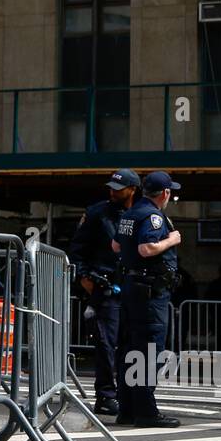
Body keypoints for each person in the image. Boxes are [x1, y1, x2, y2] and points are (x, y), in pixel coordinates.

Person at [66, 168, 141, 417]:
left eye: (119, 189)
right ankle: (106, 396)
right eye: (111, 187)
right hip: (105, 287)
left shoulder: (142, 213)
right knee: (106, 345)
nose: (113, 191)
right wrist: (84, 277)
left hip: (133, 288)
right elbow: (78, 249)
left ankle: (130, 395)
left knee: (132, 344)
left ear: (133, 189)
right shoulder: (97, 213)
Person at [111, 170, 182, 428]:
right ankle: (146, 411)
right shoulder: (153, 215)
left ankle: (127, 408)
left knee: (130, 348)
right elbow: (146, 248)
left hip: (132, 288)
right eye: (170, 192)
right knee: (149, 351)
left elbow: (116, 246)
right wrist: (171, 239)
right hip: (149, 293)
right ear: (164, 193)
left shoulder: (130, 213)